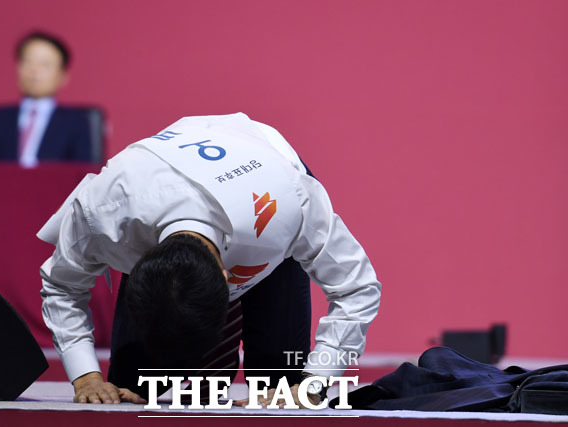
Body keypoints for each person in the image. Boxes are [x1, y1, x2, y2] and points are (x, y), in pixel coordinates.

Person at [38, 112, 382, 406]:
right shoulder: (103, 210)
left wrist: (315, 382)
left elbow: (358, 288)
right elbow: (62, 287)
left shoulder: (288, 205)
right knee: (132, 385)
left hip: (263, 188)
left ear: (228, 279)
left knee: (279, 384)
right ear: (139, 265)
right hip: (155, 186)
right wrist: (85, 376)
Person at [0, 31, 93, 167]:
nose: (34, 71)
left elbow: (83, 172)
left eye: (45, 65)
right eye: (27, 62)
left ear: (63, 75)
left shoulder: (76, 122)